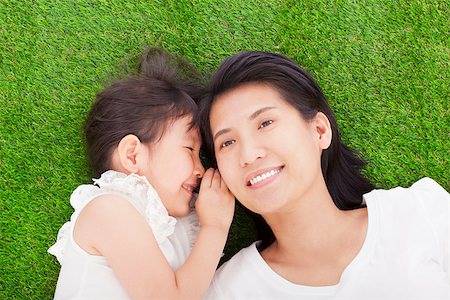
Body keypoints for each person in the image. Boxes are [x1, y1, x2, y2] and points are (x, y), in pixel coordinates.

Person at [199, 50, 449, 299]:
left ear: (319, 130)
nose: (249, 155)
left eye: (265, 123)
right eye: (227, 142)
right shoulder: (229, 290)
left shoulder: (418, 213)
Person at [48, 47, 235, 299]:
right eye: (189, 149)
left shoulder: (179, 226)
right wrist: (215, 228)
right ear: (133, 155)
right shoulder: (109, 210)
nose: (200, 169)